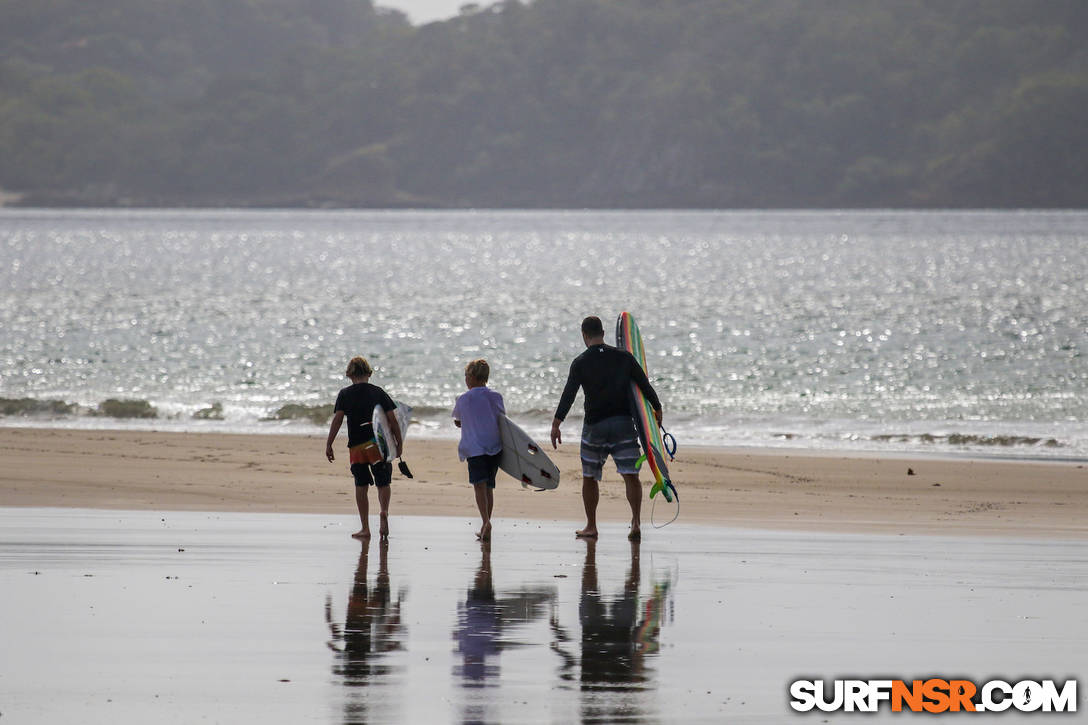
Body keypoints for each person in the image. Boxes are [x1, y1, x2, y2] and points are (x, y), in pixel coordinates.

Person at [551, 315, 662, 540]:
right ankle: (636, 522)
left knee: (590, 477)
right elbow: (643, 384)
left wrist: (557, 423)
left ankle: (591, 526)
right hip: (623, 423)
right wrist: (657, 408)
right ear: (603, 332)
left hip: (595, 426)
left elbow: (569, 394)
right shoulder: (624, 357)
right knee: (631, 475)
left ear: (584, 335)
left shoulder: (580, 362)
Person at [326, 356, 402, 539]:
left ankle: (365, 528)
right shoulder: (378, 392)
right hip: (377, 445)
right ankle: (384, 511)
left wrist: (329, 443)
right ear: (369, 373)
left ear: (349, 374)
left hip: (357, 447)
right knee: (383, 482)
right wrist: (399, 442)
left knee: (361, 485)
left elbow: (337, 420)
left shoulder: (345, 394)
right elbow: (392, 419)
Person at [452, 359, 505, 541]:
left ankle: (485, 522)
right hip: (494, 447)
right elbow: (502, 420)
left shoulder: (463, 399)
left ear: (472, 377)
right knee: (489, 486)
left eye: (466, 376)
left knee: (478, 486)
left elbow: (457, 421)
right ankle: (486, 523)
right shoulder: (496, 396)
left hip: (474, 448)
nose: (465, 380)